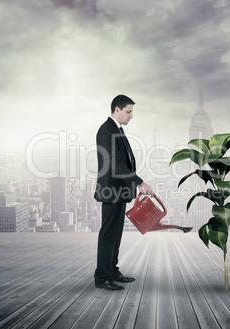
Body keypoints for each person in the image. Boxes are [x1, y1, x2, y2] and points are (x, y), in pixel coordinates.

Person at [94, 94, 153, 291]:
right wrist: (140, 182)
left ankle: (112, 271)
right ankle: (102, 277)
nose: (131, 116)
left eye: (131, 112)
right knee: (108, 234)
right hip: (111, 191)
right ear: (116, 110)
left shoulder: (116, 129)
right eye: (128, 112)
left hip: (118, 191)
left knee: (116, 234)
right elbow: (115, 165)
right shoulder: (106, 131)